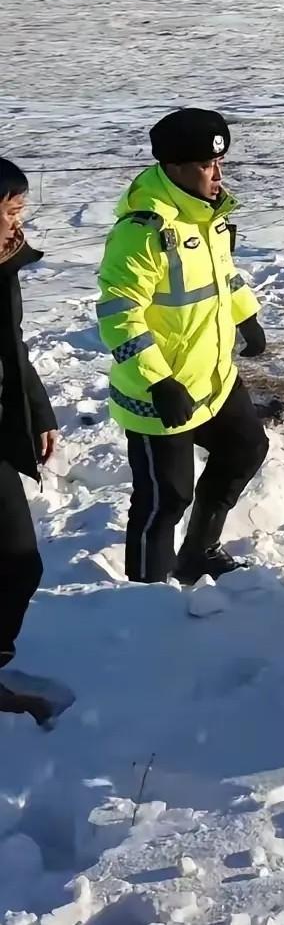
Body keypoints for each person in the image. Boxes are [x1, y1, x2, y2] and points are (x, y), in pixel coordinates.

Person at [96, 109, 270, 585]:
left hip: (212, 377)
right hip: (160, 392)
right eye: (205, 165)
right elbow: (119, 313)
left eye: (220, 162)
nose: (218, 174)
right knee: (164, 499)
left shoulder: (207, 213)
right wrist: (159, 380)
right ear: (174, 167)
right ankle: (144, 601)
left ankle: (198, 553)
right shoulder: (143, 229)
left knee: (245, 448)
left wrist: (246, 314)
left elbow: (221, 275)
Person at [0, 157, 58, 698]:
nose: (20, 223)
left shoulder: (3, 266)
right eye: (12, 211)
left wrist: (37, 412)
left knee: (19, 565)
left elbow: (12, 349)